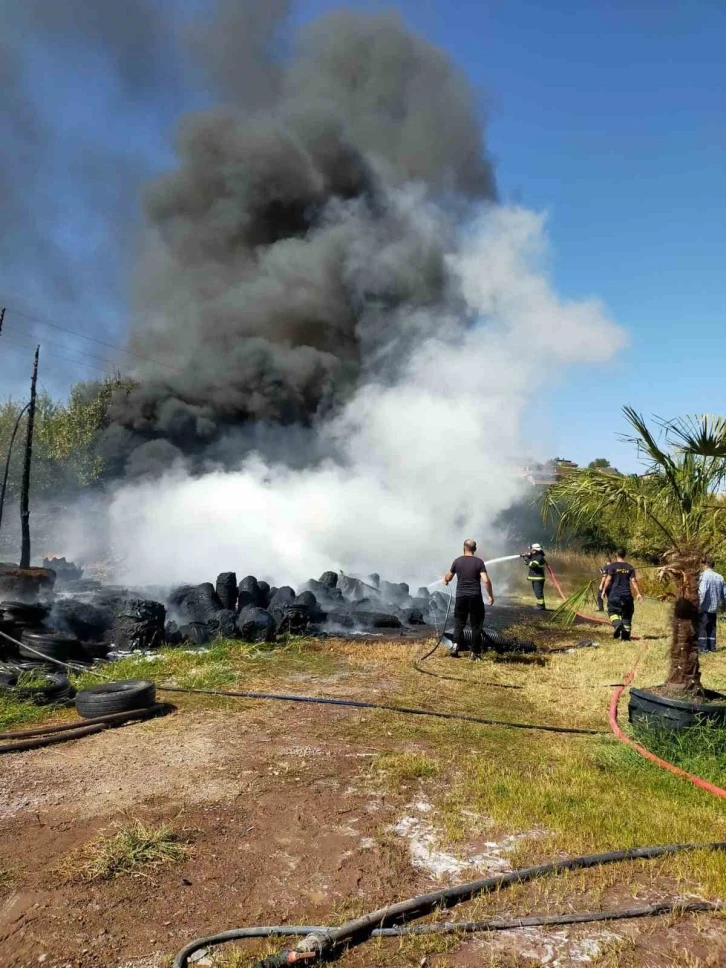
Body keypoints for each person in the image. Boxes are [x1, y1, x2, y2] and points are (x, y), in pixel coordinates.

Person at [444, 539, 494, 661]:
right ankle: (474, 653)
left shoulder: (457, 561)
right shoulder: (479, 562)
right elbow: (486, 580)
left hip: (461, 597)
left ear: (463, 548)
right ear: (475, 549)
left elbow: (449, 577)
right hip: (475, 597)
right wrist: (491, 596)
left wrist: (445, 579)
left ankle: (455, 646)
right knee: (476, 625)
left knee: (459, 622)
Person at [603, 548, 642, 640]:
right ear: (625, 555)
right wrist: (638, 593)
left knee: (612, 611)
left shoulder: (611, 567)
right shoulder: (630, 567)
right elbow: (634, 581)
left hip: (614, 594)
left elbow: (608, 579)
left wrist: (604, 590)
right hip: (627, 595)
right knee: (627, 614)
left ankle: (617, 624)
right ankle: (625, 637)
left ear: (616, 555)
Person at [698, 556, 726, 653]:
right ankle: (712, 647)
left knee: (702, 627)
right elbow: (724, 594)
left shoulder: (703, 576)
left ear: (706, 564)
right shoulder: (720, 577)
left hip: (704, 607)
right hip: (714, 607)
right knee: (712, 627)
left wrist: (697, 605)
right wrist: (724, 606)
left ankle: (703, 648)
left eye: (702, 564)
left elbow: (702, 592)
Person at [522, 543, 546, 610]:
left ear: (536, 550)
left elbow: (533, 565)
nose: (531, 551)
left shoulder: (539, 557)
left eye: (532, 550)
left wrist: (526, 559)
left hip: (538, 578)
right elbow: (528, 562)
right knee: (536, 592)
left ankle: (541, 606)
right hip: (535, 578)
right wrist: (526, 557)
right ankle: (539, 605)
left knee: (538, 592)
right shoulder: (534, 556)